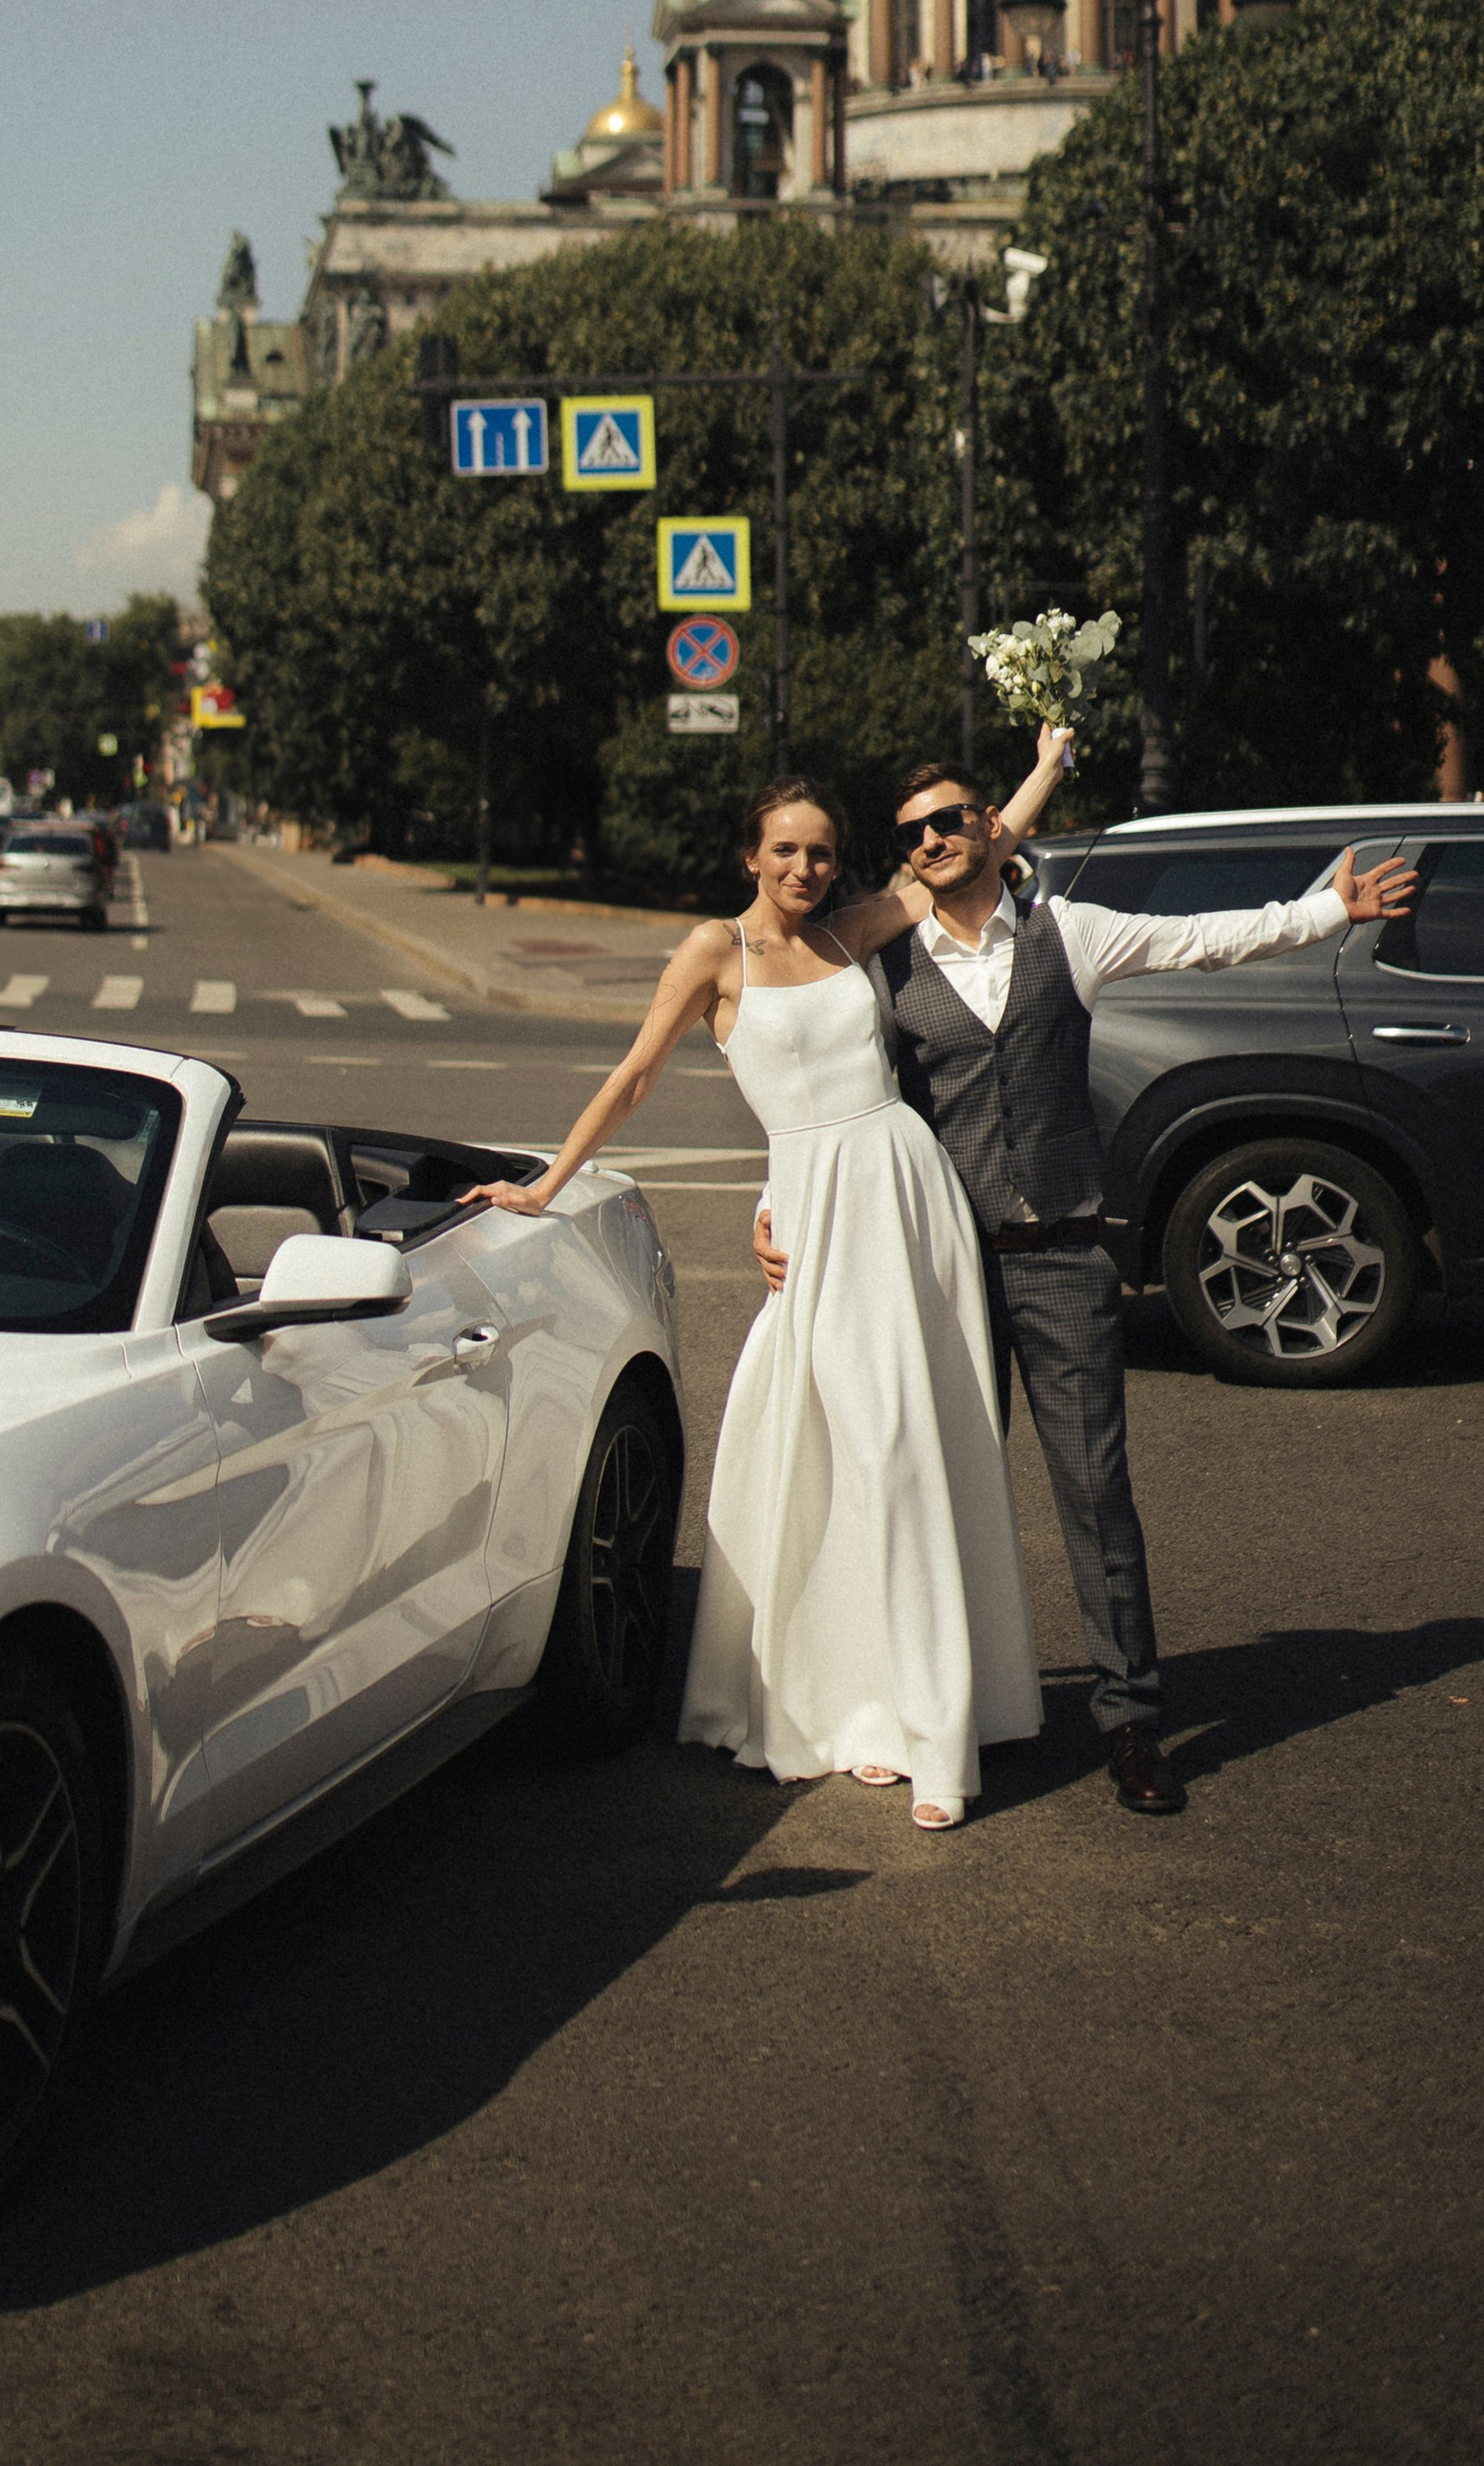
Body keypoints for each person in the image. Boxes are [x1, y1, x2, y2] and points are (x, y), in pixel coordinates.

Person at [754, 758, 1416, 1814]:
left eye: (948, 821)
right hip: (938, 1266)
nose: (929, 840)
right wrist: (772, 1203)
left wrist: (1327, 907)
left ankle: (1131, 1723)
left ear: (989, 829)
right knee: (926, 1491)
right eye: (911, 832)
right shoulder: (886, 961)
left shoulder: (1075, 933)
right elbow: (820, 1090)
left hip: (1062, 1256)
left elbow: (1209, 937)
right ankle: (935, 1705)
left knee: (1097, 1496)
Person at [476, 733, 1072, 1832]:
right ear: (750, 855)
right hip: (815, 1209)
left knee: (918, 1447)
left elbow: (985, 845)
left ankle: (914, 1711)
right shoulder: (713, 952)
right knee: (849, 1451)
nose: (805, 869)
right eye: (786, 851)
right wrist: (545, 1179)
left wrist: (1049, 761)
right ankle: (859, 1701)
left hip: (905, 1197)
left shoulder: (851, 934)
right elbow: (637, 1070)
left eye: (822, 853)